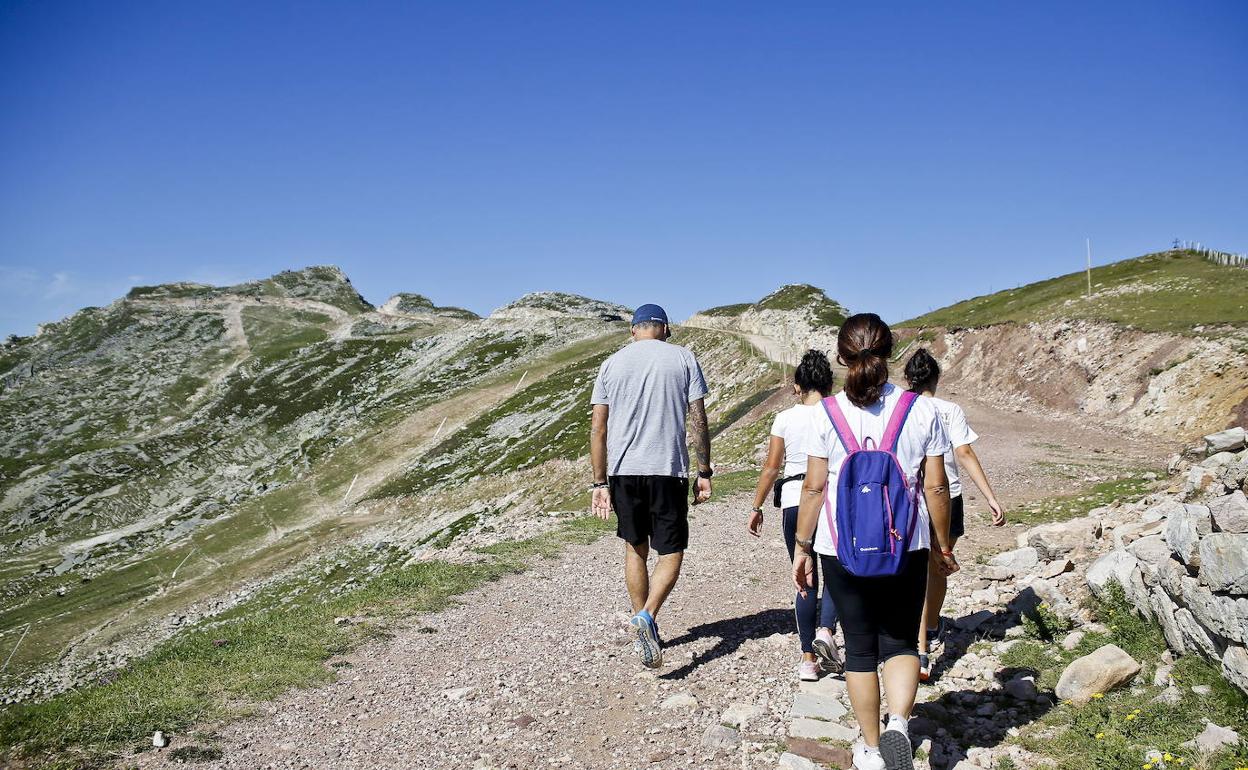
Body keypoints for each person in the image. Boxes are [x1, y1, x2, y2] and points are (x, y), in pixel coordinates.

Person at [791, 314, 958, 770]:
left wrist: (803, 548)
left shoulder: (825, 414)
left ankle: (868, 747)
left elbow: (813, 487)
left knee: (860, 647)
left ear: (842, 358)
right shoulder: (922, 410)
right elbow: (937, 488)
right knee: (902, 640)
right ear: (889, 354)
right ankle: (899, 724)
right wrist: (943, 547)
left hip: (840, 547)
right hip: (908, 544)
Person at [590, 303, 713, 669]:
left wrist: (599, 481)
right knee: (671, 551)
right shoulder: (684, 358)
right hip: (667, 469)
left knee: (635, 550)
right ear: (665, 329)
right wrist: (703, 469)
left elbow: (598, 428)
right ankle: (648, 615)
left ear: (634, 331)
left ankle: (647, 629)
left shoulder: (612, 364)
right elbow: (698, 419)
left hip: (624, 472)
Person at [903, 348, 1006, 681]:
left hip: (911, 499)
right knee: (938, 569)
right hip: (949, 498)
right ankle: (931, 627)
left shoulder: (900, 410)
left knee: (915, 572)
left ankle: (918, 651)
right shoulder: (950, 410)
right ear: (936, 378)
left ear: (908, 379)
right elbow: (964, 452)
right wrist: (990, 497)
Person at [747, 349, 842, 681]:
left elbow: (772, 467)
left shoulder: (785, 418)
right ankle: (827, 631)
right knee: (834, 572)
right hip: (830, 500)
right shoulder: (838, 413)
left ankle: (807, 661)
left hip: (793, 500)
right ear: (828, 383)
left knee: (804, 579)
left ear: (799, 385)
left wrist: (756, 506)